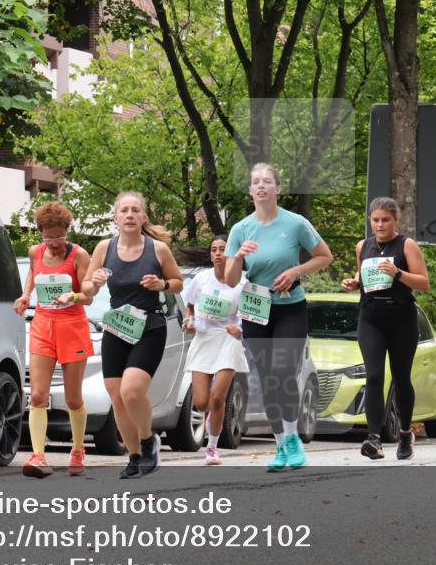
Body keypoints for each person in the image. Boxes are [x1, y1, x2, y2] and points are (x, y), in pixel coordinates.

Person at [225, 163, 333, 472]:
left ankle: (294, 440)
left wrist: (296, 271)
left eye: (267, 182)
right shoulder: (240, 229)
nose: (261, 186)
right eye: (255, 182)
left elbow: (325, 256)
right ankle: (281, 444)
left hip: (290, 306)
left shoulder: (296, 223)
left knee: (284, 371)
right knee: (268, 379)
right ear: (250, 191)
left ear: (277, 189)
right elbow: (232, 280)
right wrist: (238, 256)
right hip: (256, 310)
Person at [81, 192, 183, 479]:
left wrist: (161, 284)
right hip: (117, 328)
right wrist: (95, 282)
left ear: (143, 217)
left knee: (132, 391)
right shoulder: (104, 247)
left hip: (150, 327)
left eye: (134, 210)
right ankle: (135, 456)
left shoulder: (158, 249)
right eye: (123, 210)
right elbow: (87, 289)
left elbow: (177, 283)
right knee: (117, 398)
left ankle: (149, 440)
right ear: (115, 218)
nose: (129, 215)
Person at [341, 197, 430, 460]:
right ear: (370, 220)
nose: (380, 225)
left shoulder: (407, 245)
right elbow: (363, 275)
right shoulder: (363, 246)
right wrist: (354, 283)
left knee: (401, 378)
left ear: (395, 221)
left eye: (385, 220)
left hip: (401, 318)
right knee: (374, 376)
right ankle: (373, 438)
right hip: (371, 318)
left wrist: (397, 273)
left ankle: (404, 434)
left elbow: (424, 283)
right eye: (375, 220)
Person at [14, 202, 94, 478]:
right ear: (41, 233)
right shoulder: (35, 252)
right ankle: (38, 456)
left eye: (59, 237)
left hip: (72, 326)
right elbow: (32, 276)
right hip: (43, 325)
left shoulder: (79, 255)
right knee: (37, 395)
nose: (55, 243)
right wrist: (25, 295)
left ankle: (78, 449)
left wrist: (72, 296)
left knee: (73, 399)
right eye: (49, 237)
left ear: (67, 232)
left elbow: (89, 295)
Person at [182, 235, 250, 465]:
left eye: (223, 249)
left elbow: (251, 316)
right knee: (202, 403)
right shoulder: (201, 279)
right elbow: (188, 305)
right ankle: (212, 415)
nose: (218, 253)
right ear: (210, 255)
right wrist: (188, 321)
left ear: (231, 254)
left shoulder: (242, 283)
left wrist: (239, 328)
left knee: (218, 397)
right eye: (214, 250)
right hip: (203, 339)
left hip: (227, 341)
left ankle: (212, 447)